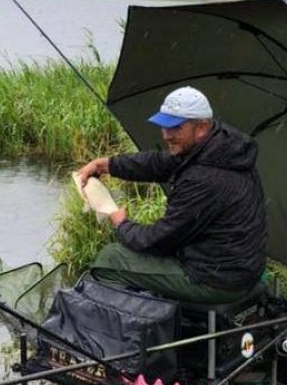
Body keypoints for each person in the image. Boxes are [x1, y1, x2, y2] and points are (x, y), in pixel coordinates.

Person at [78, 86, 267, 303]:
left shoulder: (204, 178)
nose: (167, 135)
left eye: (175, 128)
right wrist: (107, 165)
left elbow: (159, 240)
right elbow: (159, 163)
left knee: (110, 259)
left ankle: (137, 326)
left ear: (202, 127)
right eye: (164, 126)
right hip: (239, 268)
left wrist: (122, 225)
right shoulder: (221, 149)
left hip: (216, 280)